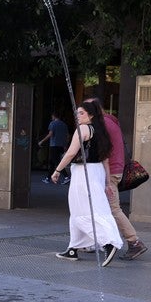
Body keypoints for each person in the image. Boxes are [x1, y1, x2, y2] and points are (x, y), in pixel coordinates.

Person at [50, 101, 122, 265]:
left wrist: (57, 170)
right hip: (96, 172)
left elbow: (70, 153)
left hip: (84, 172)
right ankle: (73, 248)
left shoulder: (82, 129)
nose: (78, 115)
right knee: (90, 210)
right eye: (77, 112)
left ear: (91, 115)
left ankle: (108, 242)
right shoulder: (100, 132)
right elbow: (105, 160)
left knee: (82, 211)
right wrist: (107, 182)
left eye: (81, 113)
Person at [84, 97, 147, 260]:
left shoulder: (102, 124)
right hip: (115, 169)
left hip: (109, 171)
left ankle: (134, 242)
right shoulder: (110, 121)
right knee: (99, 207)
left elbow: (102, 150)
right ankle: (96, 241)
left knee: (113, 209)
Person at [38, 112, 70, 184]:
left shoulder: (52, 124)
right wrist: (65, 145)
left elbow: (50, 134)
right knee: (52, 162)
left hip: (54, 145)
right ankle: (48, 178)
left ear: (54, 116)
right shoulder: (64, 124)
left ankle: (66, 176)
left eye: (52, 116)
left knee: (56, 161)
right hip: (61, 145)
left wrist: (42, 141)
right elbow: (67, 136)